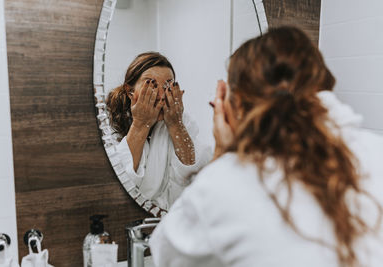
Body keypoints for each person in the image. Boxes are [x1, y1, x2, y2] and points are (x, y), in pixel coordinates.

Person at [149, 27, 383, 266]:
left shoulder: (225, 183)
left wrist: (222, 153)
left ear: (235, 102)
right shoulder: (377, 151)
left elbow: (165, 255)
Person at [106, 52, 211, 210]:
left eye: (168, 85)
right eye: (151, 84)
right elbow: (118, 184)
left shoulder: (180, 119)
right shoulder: (110, 125)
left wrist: (176, 124)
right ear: (130, 91)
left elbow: (193, 176)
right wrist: (141, 124)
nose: (162, 95)